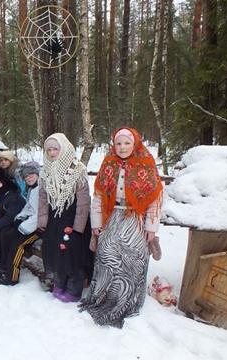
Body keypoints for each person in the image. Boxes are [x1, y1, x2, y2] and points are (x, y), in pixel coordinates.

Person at [79, 127, 163, 328]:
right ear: (113, 145)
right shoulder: (108, 164)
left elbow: (155, 198)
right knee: (106, 251)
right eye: (118, 143)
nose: (122, 147)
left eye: (127, 143)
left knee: (134, 254)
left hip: (136, 217)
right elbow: (98, 196)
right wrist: (97, 224)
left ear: (135, 144)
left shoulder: (146, 164)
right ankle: (105, 296)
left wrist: (151, 227)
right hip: (113, 216)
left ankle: (128, 300)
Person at [37, 133, 92, 303]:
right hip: (55, 219)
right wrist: (42, 223)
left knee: (73, 256)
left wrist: (78, 227)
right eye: (49, 150)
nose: (52, 153)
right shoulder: (45, 172)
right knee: (56, 254)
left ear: (64, 149)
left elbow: (84, 202)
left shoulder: (77, 170)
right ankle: (59, 284)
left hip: (73, 219)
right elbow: (43, 200)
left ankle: (74, 290)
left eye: (55, 149)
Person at [0, 161, 42, 286]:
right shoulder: (32, 189)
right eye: (26, 176)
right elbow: (28, 207)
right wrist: (19, 218)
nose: (28, 177)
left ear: (38, 174)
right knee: (7, 233)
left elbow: (39, 214)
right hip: (29, 224)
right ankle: (5, 265)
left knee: (17, 243)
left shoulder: (41, 190)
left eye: (31, 174)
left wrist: (23, 227)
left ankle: (12, 276)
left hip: (39, 228)